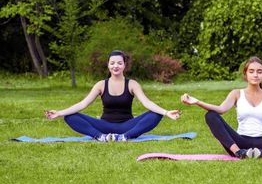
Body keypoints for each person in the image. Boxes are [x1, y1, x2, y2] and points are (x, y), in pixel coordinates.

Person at [45, 50, 180, 142]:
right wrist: (60, 113)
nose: (116, 66)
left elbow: (147, 103)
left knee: (155, 114)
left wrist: (166, 112)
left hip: (128, 126)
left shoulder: (132, 84)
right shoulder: (101, 85)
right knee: (70, 117)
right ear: (108, 65)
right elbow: (82, 104)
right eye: (112, 63)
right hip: (104, 126)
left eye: (119, 63)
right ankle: (100, 137)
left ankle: (124, 137)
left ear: (124, 65)